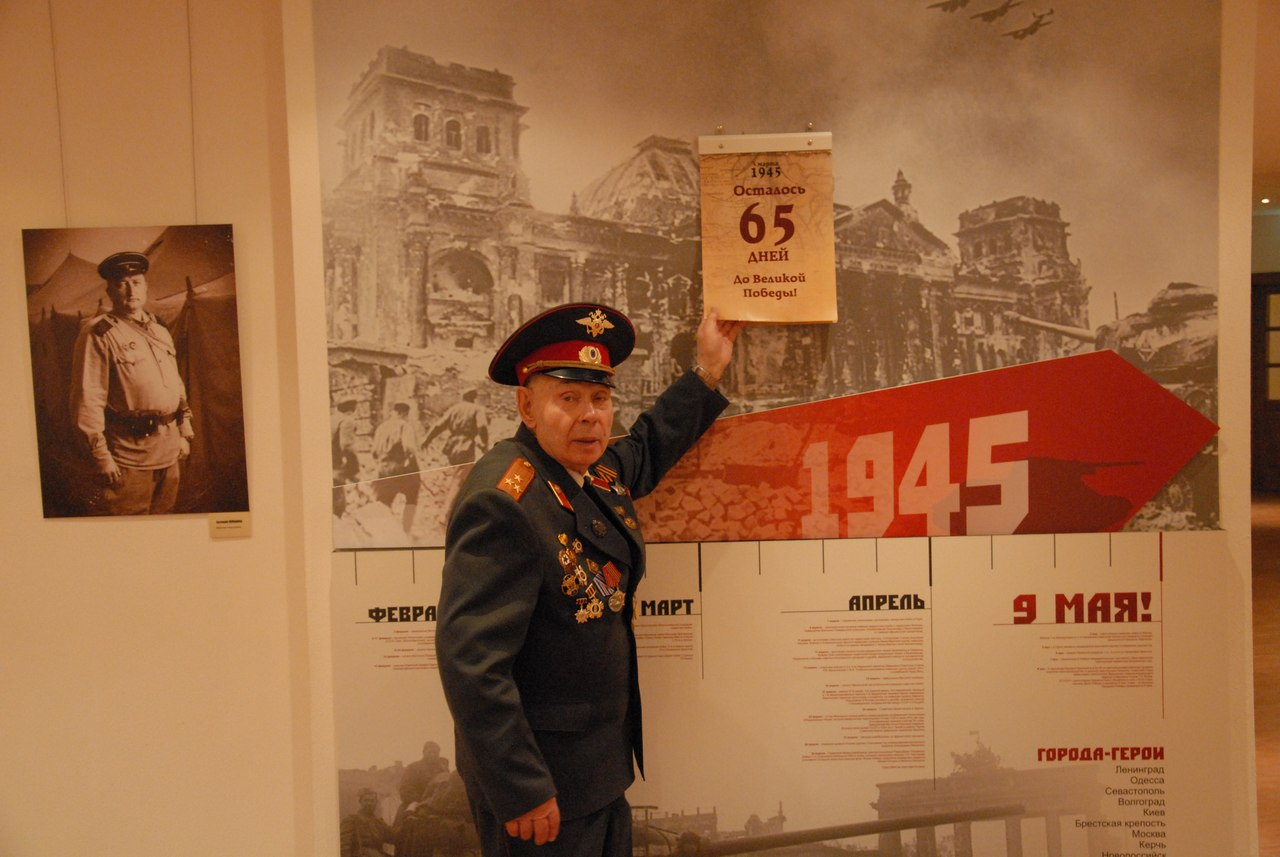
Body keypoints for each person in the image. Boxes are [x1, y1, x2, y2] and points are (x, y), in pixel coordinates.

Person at [435, 302, 742, 857]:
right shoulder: (504, 501)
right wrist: (523, 789)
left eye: (600, 398)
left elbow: (646, 447)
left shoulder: (586, 469)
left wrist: (708, 370)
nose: (590, 416)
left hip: (596, 773)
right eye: (569, 398)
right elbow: (472, 665)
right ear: (527, 406)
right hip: (542, 793)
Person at [69, 250, 194, 515]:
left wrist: (183, 431)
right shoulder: (99, 333)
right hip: (128, 457)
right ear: (109, 291)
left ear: (145, 286)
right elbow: (87, 399)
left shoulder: (159, 330)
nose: (130, 290)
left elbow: (176, 385)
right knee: (129, 529)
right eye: (121, 284)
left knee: (164, 525)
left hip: (169, 451)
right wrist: (101, 457)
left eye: (136, 282)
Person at [372, 400, 423, 532]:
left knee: (383, 502)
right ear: (403, 413)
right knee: (412, 496)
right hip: (399, 467)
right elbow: (409, 447)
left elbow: (374, 452)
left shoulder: (381, 428)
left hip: (382, 468)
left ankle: (382, 532)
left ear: (393, 412)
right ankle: (406, 530)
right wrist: (414, 464)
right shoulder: (405, 426)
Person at [423, 388, 489, 465]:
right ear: (474, 397)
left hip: (452, 444)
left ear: (463, 397)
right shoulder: (477, 409)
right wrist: (485, 443)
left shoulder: (454, 409)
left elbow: (438, 426)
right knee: (465, 470)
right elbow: (482, 426)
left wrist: (427, 440)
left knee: (453, 469)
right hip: (466, 444)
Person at [340, 787, 392, 857]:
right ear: (360, 802)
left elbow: (392, 837)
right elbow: (344, 846)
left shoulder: (379, 823)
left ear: (376, 803)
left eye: (372, 801)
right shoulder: (351, 821)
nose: (369, 803)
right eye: (366, 800)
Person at [332, 395, 361, 484]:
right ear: (353, 408)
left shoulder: (333, 419)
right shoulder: (348, 420)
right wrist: (355, 467)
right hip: (339, 466)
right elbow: (347, 445)